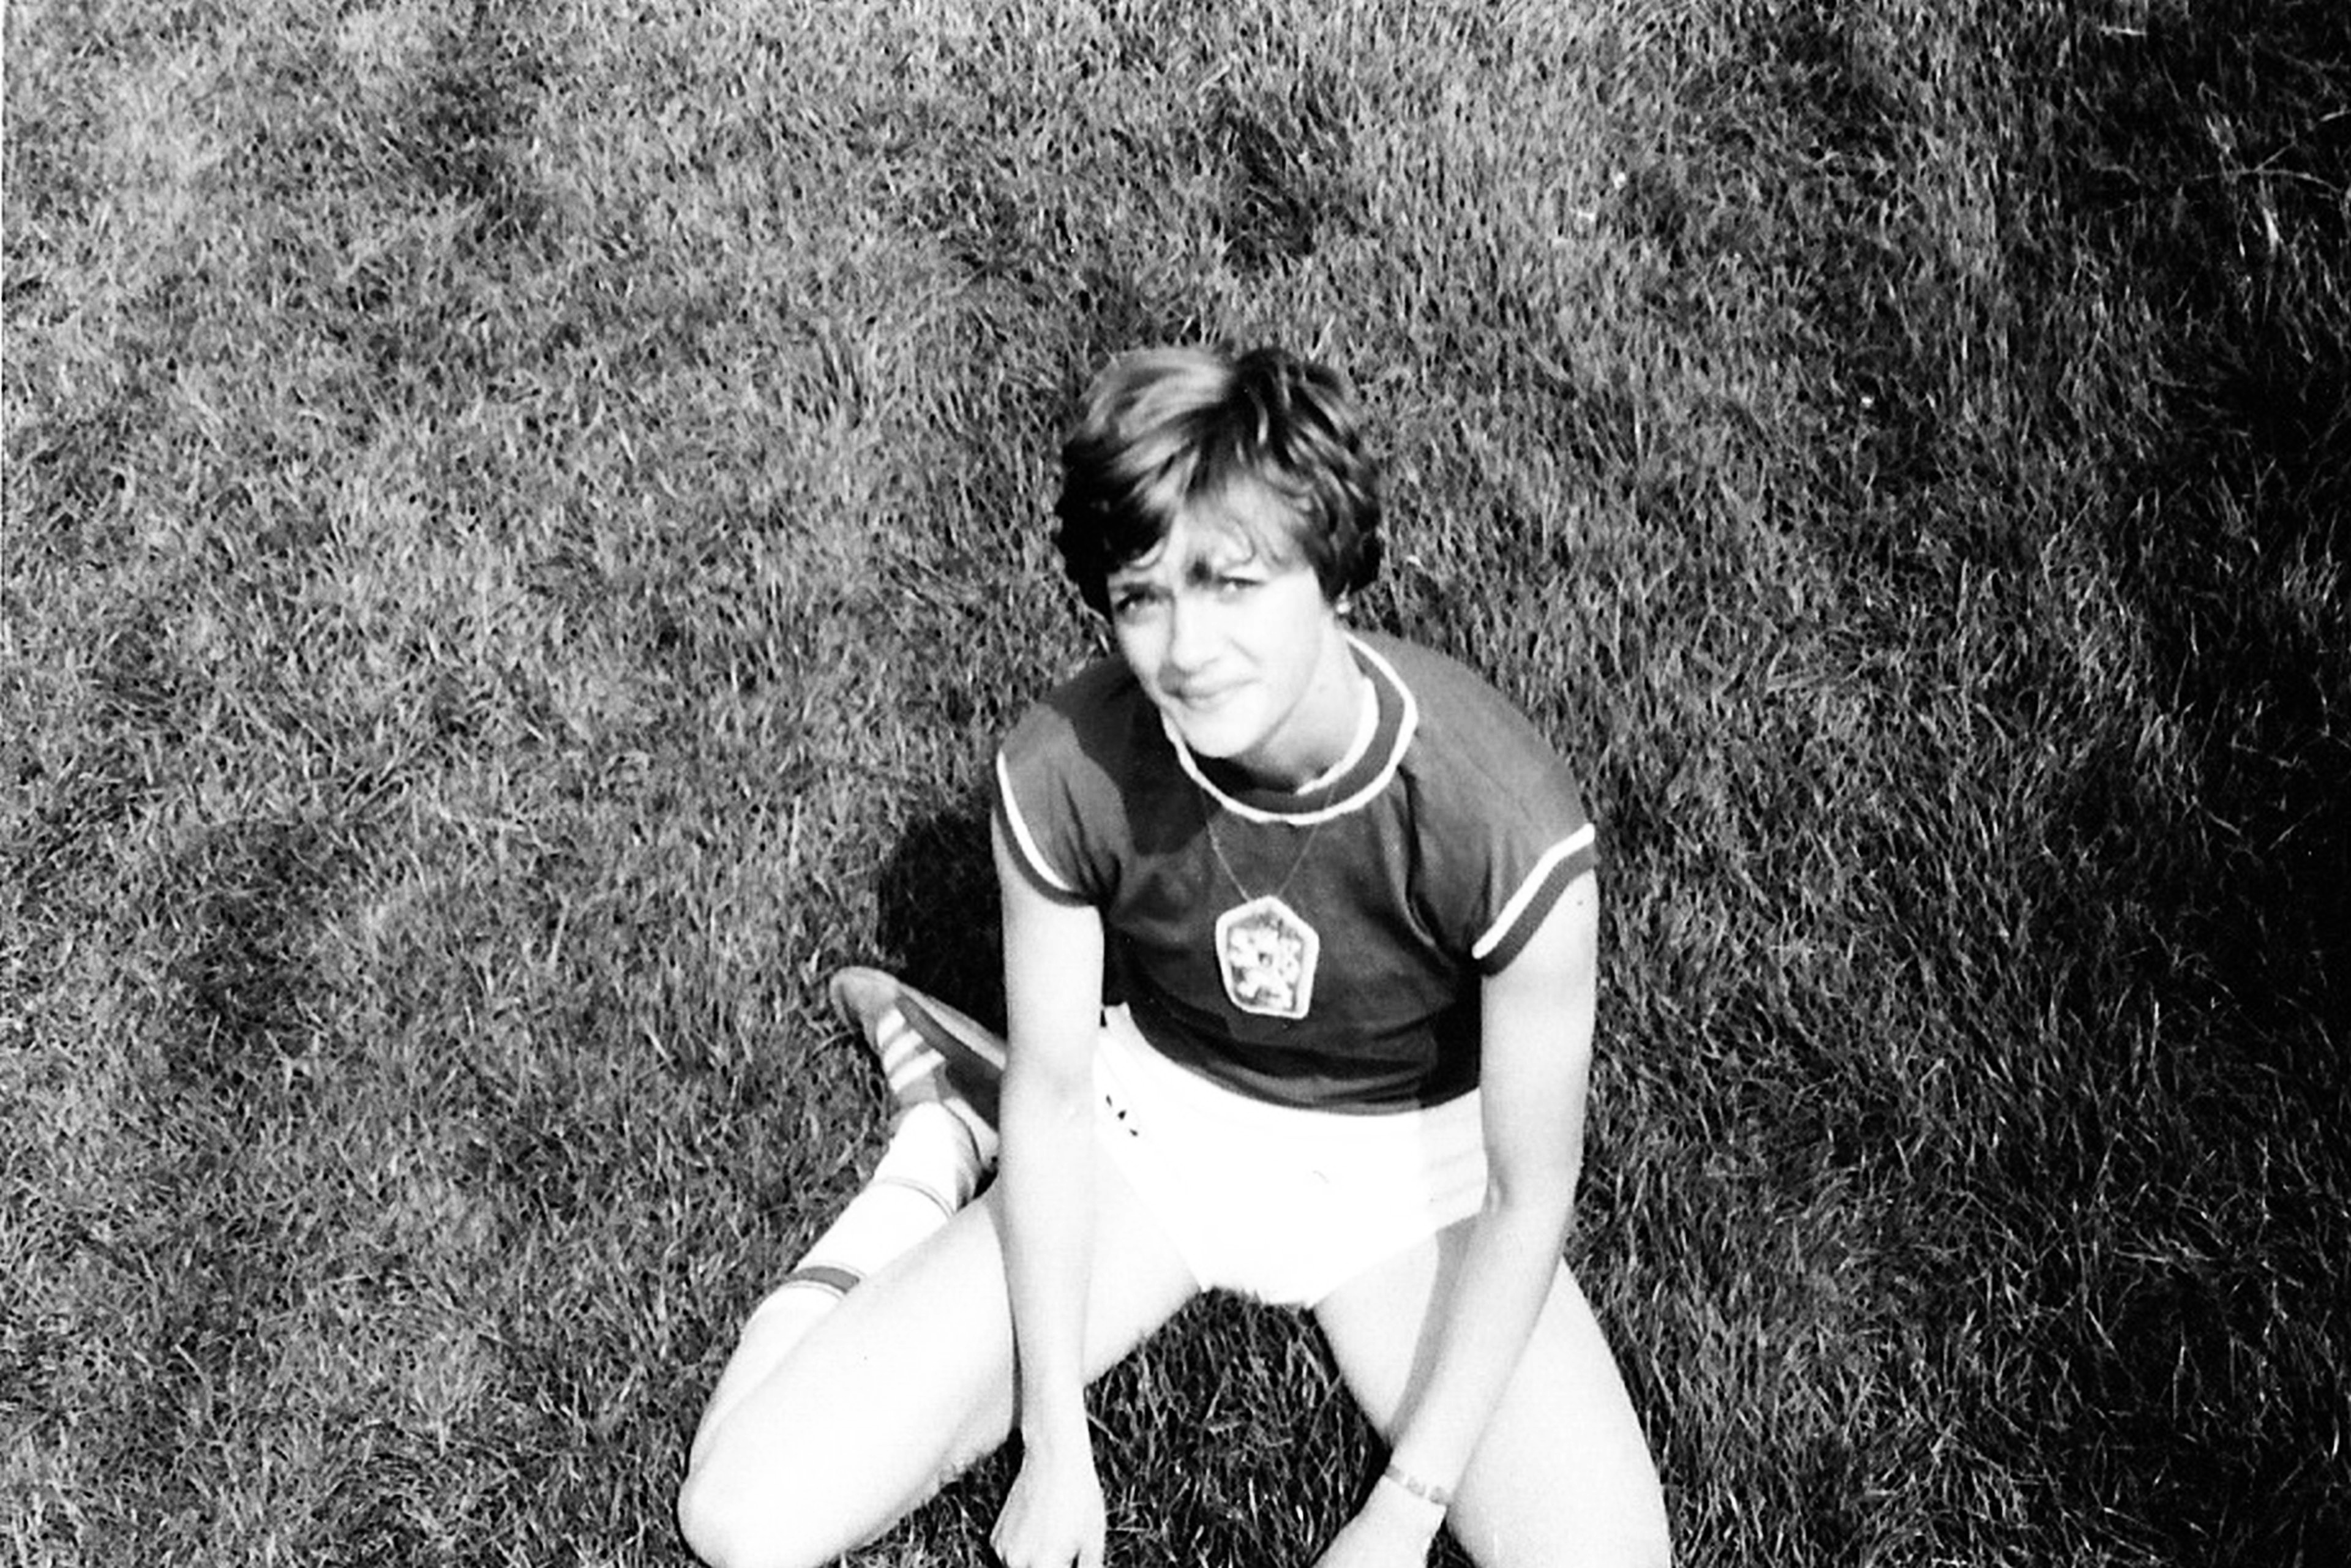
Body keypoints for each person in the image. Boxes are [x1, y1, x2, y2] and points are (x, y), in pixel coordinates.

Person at [677, 346, 1671, 1568]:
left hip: (1417, 1178)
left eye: (1232, 583)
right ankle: (934, 1145)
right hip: (1158, 1131)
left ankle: (957, 1115)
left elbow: (1529, 1191)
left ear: (1332, 565)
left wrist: (1402, 1515)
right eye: (1143, 596)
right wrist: (1053, 1437)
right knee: (739, 1518)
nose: (1187, 646)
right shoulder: (1065, 764)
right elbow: (1056, 1095)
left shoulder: (1500, 816)